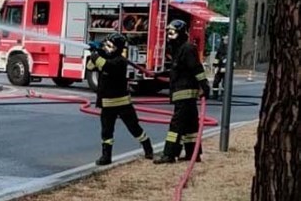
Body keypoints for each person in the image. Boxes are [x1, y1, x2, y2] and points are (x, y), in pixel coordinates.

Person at [87, 34, 154, 166]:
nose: (107, 47)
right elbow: (90, 67)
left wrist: (96, 55)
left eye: (110, 46)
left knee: (134, 128)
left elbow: (107, 66)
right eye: (106, 44)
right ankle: (106, 156)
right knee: (106, 131)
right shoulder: (104, 57)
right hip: (107, 103)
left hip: (122, 103)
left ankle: (148, 148)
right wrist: (97, 53)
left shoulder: (120, 61)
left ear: (117, 48)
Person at [154, 20, 211, 164]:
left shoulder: (187, 48)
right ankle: (193, 153)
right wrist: (161, 73)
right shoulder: (180, 49)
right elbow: (178, 70)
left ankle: (169, 154)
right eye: (168, 33)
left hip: (184, 93)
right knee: (190, 124)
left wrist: (204, 85)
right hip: (183, 92)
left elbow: (196, 69)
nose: (169, 36)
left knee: (176, 125)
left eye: (172, 33)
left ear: (180, 33)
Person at [211, 35, 229, 100]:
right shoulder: (220, 48)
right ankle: (215, 95)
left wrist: (228, 68)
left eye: (226, 40)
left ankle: (223, 95)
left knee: (225, 84)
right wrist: (215, 66)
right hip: (219, 68)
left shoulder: (230, 49)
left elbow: (233, 60)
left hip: (226, 70)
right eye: (224, 40)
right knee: (215, 82)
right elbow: (217, 58)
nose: (225, 41)